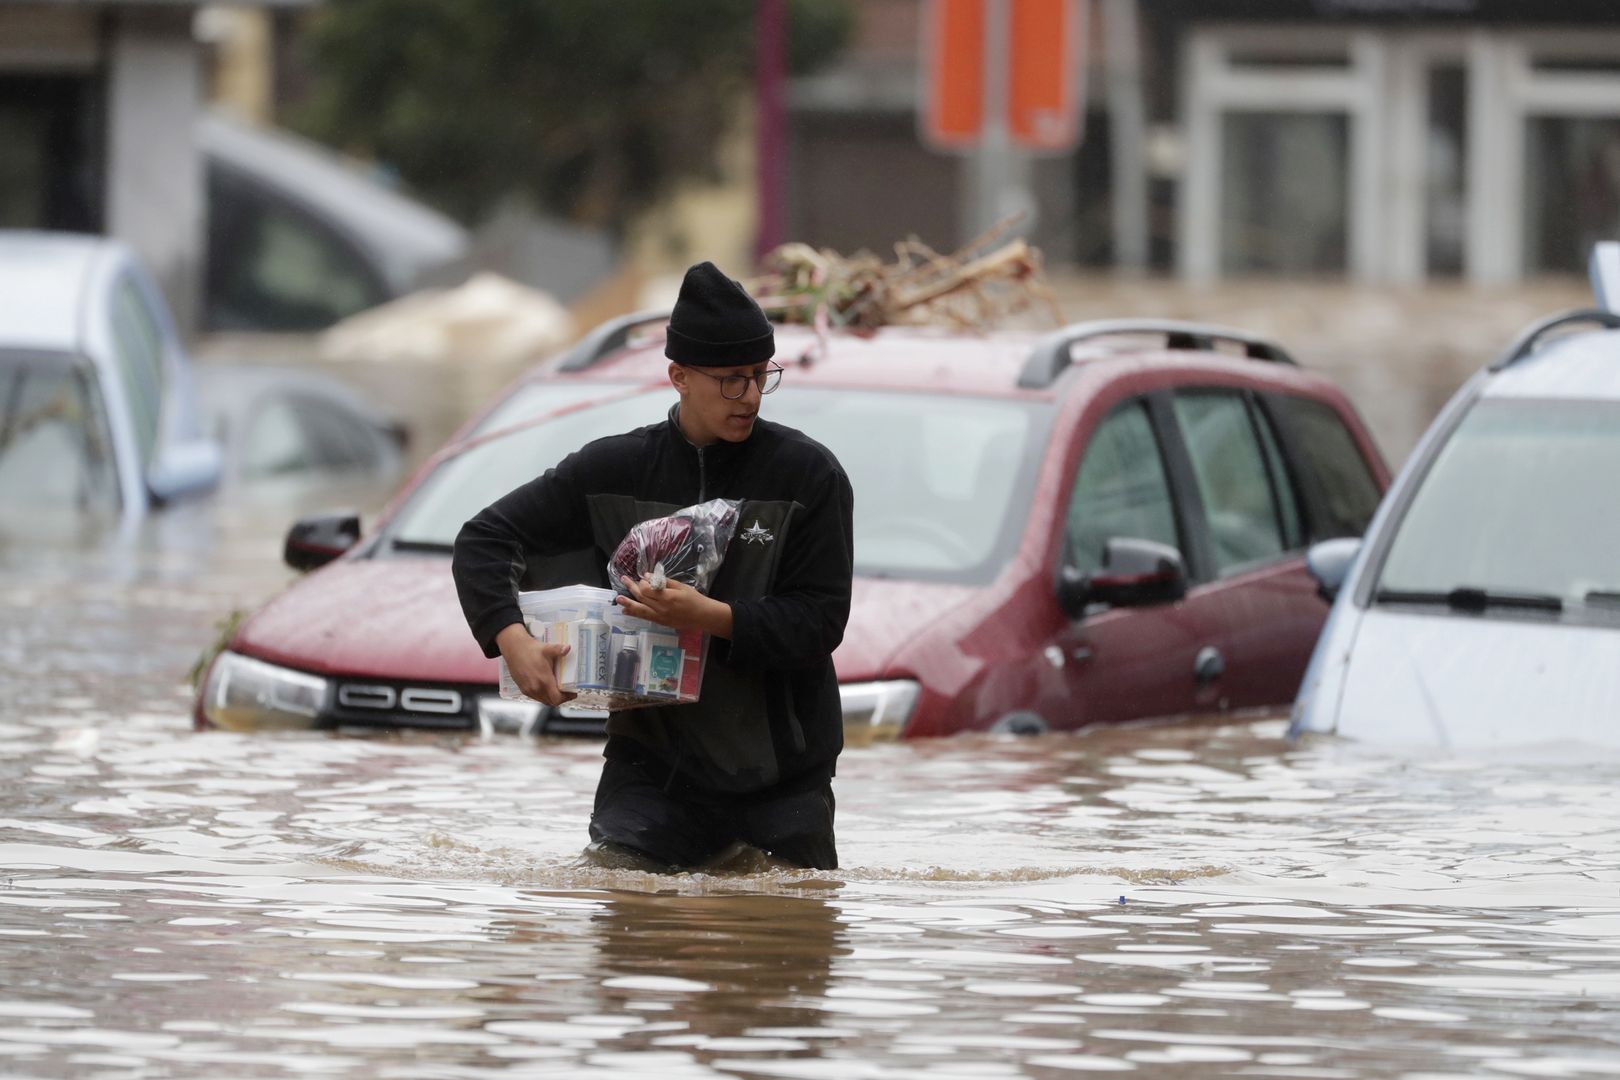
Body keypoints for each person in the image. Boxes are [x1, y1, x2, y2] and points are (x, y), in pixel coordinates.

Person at [452, 261, 854, 871]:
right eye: (729, 380)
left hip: (783, 779)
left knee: (784, 935)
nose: (748, 395)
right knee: (624, 913)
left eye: (760, 377)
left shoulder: (808, 478)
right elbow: (483, 539)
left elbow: (821, 622)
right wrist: (512, 640)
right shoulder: (612, 470)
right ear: (678, 376)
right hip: (649, 775)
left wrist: (712, 617)